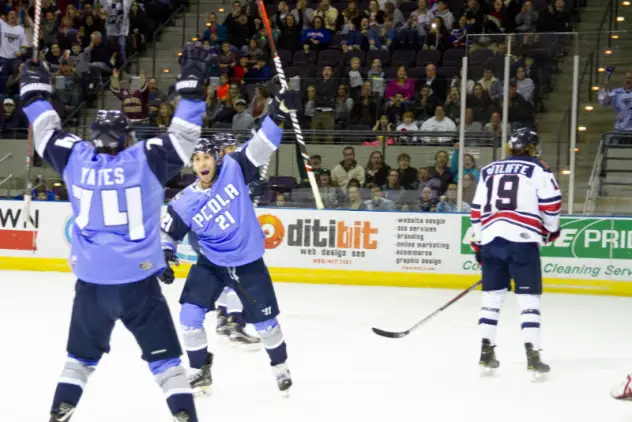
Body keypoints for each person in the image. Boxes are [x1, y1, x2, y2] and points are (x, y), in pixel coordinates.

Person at [21, 42, 213, 422]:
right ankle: (185, 416)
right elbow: (185, 137)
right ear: (127, 138)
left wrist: (34, 93)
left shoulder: (76, 157)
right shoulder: (145, 158)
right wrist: (191, 87)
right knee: (169, 367)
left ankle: (59, 413)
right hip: (139, 282)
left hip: (92, 283)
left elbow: (45, 133)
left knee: (78, 362)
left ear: (94, 138)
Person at [158, 89, 301, 396]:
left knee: (267, 326)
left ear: (216, 158)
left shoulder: (234, 169)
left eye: (206, 156)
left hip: (248, 263)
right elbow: (167, 233)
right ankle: (200, 371)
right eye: (196, 159)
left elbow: (263, 145)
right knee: (189, 318)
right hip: (211, 265)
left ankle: (280, 368)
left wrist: (278, 111)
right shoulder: (184, 201)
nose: (201, 163)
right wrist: (166, 256)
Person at [470, 128, 561, 381]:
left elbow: (476, 211)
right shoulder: (539, 169)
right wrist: (551, 230)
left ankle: (485, 352)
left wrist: (480, 240)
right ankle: (533, 355)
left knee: (491, 299)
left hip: (491, 240)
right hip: (523, 242)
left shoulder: (488, 170)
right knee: (529, 300)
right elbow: (552, 204)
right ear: (532, 147)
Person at [213, 136, 260, 347]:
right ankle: (235, 324)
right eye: (229, 148)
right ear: (220, 151)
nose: (233, 151)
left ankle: (222, 318)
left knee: (224, 279)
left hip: (216, 236)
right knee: (237, 280)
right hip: (226, 235)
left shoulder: (216, 170)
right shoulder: (224, 171)